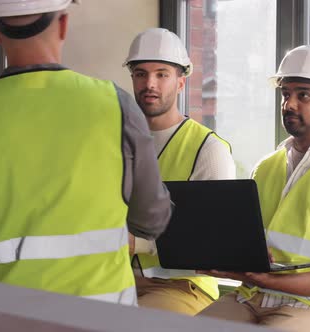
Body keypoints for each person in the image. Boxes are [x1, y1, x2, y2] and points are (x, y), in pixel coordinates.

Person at [0, 0, 172, 307]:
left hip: (9, 318)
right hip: (107, 318)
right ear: (63, 24)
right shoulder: (117, 106)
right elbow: (153, 219)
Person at [196, 45, 310, 332]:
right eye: (286, 94)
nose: (289, 104)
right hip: (252, 298)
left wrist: (269, 280)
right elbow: (250, 247)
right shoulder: (266, 167)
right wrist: (225, 258)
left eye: (303, 95)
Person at [123, 28, 236, 315]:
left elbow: (211, 237)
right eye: (140, 74)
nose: (150, 83)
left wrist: (140, 244)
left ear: (181, 82)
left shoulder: (208, 149)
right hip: (118, 280)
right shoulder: (115, 140)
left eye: (162, 74)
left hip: (181, 287)